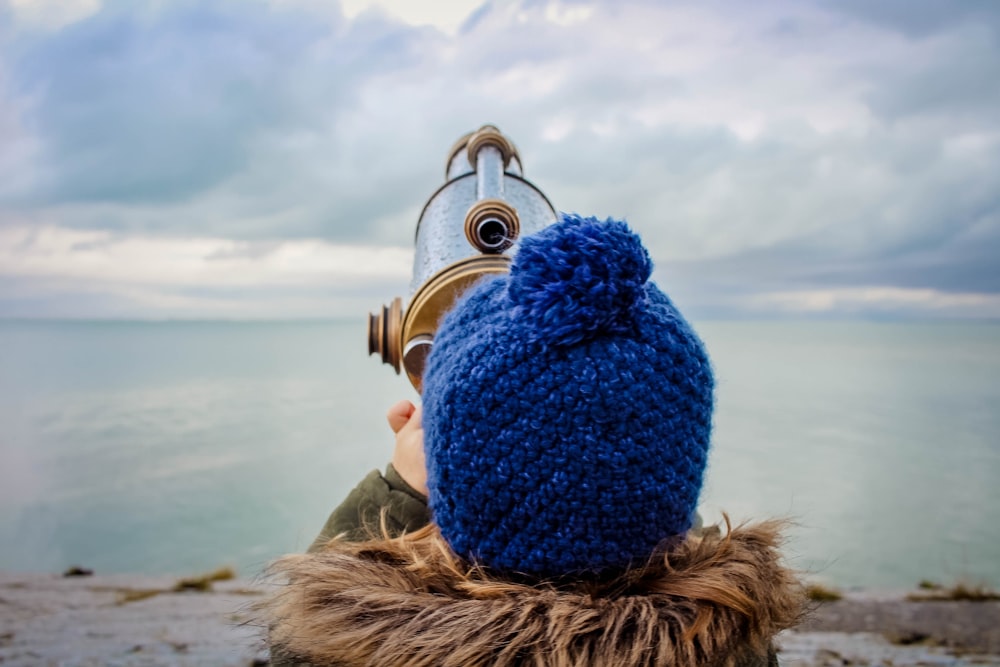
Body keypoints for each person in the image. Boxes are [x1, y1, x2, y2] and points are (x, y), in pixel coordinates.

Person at [265, 215, 804, 666]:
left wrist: (400, 491)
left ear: (447, 466)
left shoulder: (369, 647)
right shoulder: (726, 643)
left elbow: (297, 638)